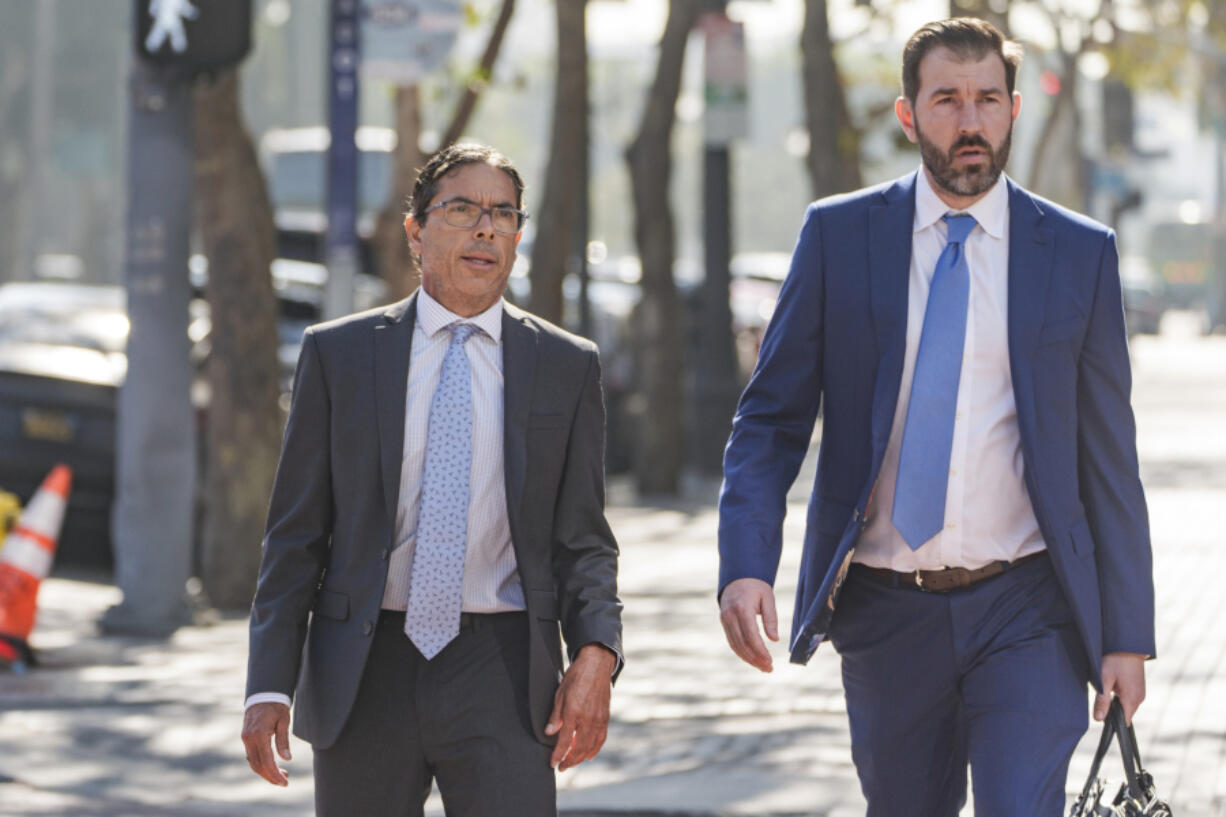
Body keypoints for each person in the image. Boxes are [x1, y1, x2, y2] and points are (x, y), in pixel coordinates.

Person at [717, 18, 1154, 816]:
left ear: (1014, 109)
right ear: (909, 115)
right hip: (886, 610)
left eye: (988, 98)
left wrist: (1127, 633)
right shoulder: (839, 236)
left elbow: (1107, 459)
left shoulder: (1080, 253)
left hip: (1029, 605)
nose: (971, 119)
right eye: (947, 99)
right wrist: (746, 561)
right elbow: (771, 420)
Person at [241, 143, 623, 817]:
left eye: (503, 213)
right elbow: (296, 533)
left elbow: (585, 539)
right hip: (366, 666)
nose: (486, 227)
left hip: (503, 667)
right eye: (463, 208)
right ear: (415, 231)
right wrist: (268, 682)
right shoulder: (342, 355)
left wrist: (596, 652)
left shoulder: (566, 366)